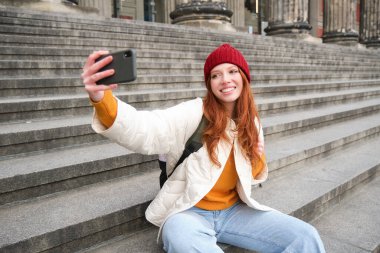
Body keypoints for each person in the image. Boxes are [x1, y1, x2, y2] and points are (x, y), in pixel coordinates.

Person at [81, 44, 326, 253]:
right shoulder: (194, 112)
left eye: (232, 71)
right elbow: (147, 128)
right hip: (188, 212)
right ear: (209, 83)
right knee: (181, 237)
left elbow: (252, 175)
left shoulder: (251, 120)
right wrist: (102, 99)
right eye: (216, 75)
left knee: (306, 236)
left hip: (234, 212)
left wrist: (257, 157)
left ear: (244, 77)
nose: (225, 80)